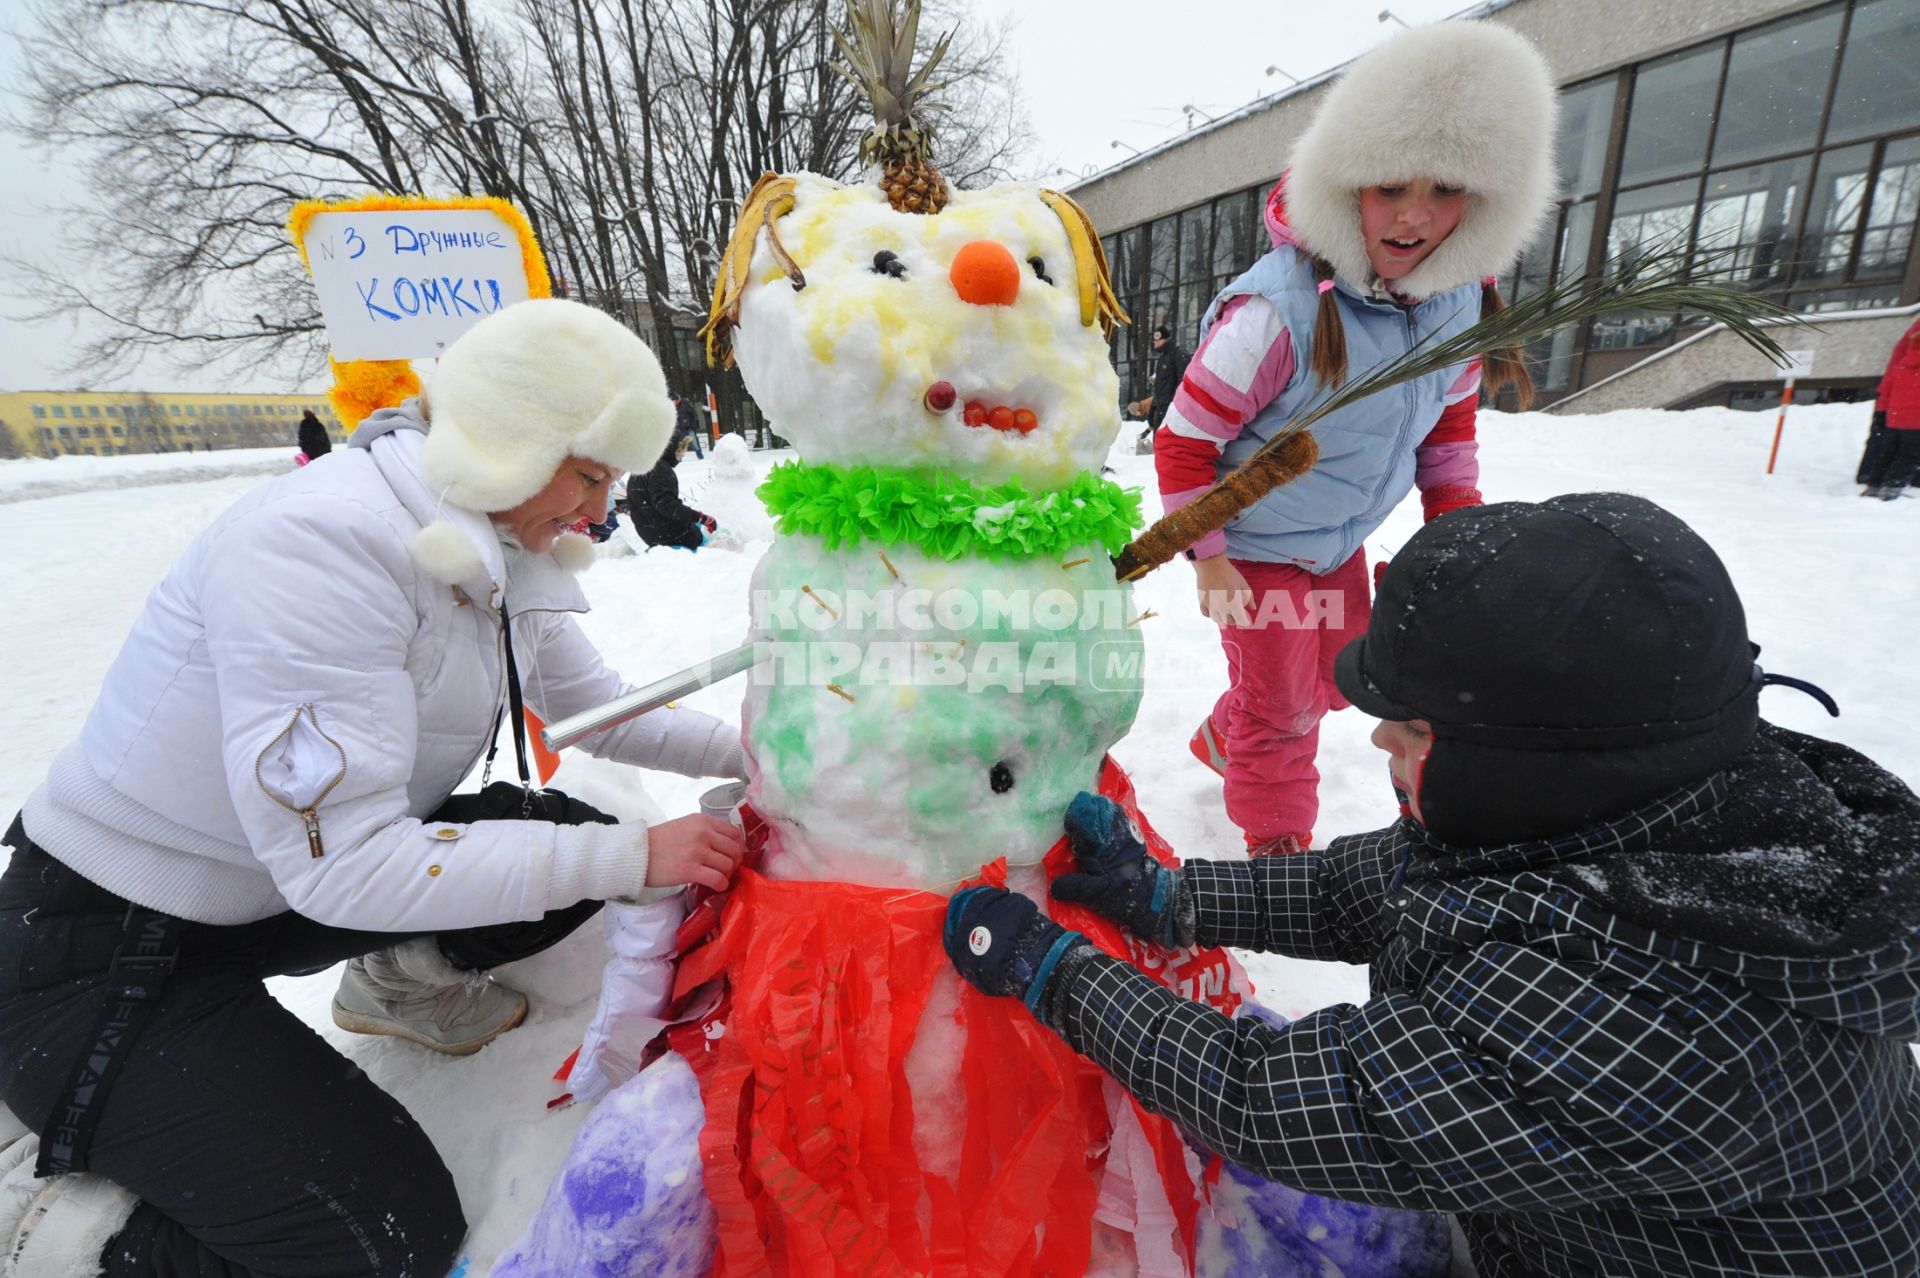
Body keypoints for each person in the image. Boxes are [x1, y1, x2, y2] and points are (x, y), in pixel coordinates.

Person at [945, 490, 1920, 1278]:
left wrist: (1058, 975)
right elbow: (1383, 887)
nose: (1377, 740)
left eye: (1413, 730)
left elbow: (1275, 1101)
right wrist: (1172, 897)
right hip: (1557, 1223)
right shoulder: (1655, 803)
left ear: (1539, 767)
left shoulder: (1650, 1017)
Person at [0, 298, 751, 1277]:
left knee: (555, 834)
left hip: (256, 896)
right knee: (380, 1239)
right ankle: (40, 1218)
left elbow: (598, 707)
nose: (602, 513)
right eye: (593, 475)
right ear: (520, 441)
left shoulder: (491, 538)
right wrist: (629, 856)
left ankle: (397, 978)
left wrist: (759, 754)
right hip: (100, 954)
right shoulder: (323, 542)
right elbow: (343, 867)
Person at [1157, 23, 1555, 856]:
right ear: (1346, 189)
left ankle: (1227, 735)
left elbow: (1447, 432)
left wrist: (1457, 526)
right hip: (1257, 546)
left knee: (1344, 678)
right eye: (1387, 187)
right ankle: (1276, 845)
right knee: (1286, 707)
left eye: (1444, 188)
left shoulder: (1455, 306)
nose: (1414, 213)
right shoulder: (1276, 315)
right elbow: (1184, 442)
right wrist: (1212, 558)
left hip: (1336, 542)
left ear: (1484, 199)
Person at [1857, 314, 1920, 499]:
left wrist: (1883, 409)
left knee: (1889, 451)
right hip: (1915, 420)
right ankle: (1892, 487)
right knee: (1908, 455)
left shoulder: (1903, 364)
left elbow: (1888, 385)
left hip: (1896, 416)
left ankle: (1874, 483)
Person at [627, 434, 716, 550]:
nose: (683, 455)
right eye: (683, 451)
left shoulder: (641, 467)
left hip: (648, 533)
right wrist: (702, 518)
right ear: (674, 450)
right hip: (666, 534)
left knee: (693, 524)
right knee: (702, 540)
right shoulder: (661, 470)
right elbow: (666, 505)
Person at [1125, 324, 1190, 448]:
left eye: (1156, 341)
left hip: (1172, 410)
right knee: (1159, 445)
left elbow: (1183, 382)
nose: (1154, 344)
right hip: (1162, 408)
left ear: (1163, 339)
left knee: (1167, 446)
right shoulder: (1163, 358)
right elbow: (1161, 389)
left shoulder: (1179, 354)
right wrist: (1152, 409)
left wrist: (1175, 406)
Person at [670, 390, 705, 459]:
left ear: (677, 400)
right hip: (679, 429)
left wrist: (693, 424)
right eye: (673, 402)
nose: (674, 403)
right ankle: (678, 459)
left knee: (694, 443)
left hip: (688, 428)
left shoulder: (685, 404)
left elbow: (693, 414)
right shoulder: (671, 407)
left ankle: (700, 457)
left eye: (675, 401)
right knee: (679, 445)